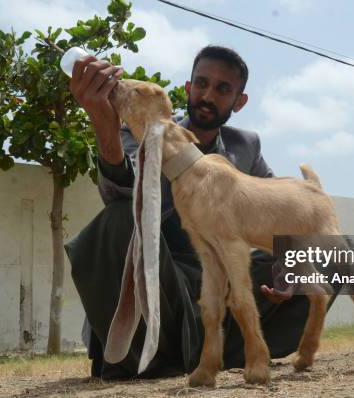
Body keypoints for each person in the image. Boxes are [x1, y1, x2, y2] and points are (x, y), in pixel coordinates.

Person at [65, 45, 311, 380]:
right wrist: (104, 127)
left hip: (219, 277)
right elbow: (122, 197)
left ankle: (203, 353)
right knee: (117, 220)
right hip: (164, 275)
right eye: (202, 84)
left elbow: (281, 213)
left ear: (239, 102)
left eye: (223, 89)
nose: (208, 95)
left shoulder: (246, 146)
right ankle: (174, 351)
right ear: (188, 88)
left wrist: (288, 267)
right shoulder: (143, 127)